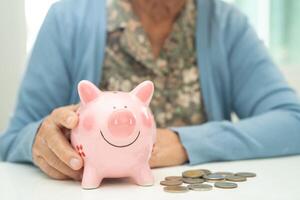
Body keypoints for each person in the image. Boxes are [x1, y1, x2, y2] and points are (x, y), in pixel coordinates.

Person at [1, 0, 300, 181]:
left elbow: (292, 122)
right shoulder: (67, 20)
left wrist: (182, 143)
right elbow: (12, 140)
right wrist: (40, 140)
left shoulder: (226, 25)